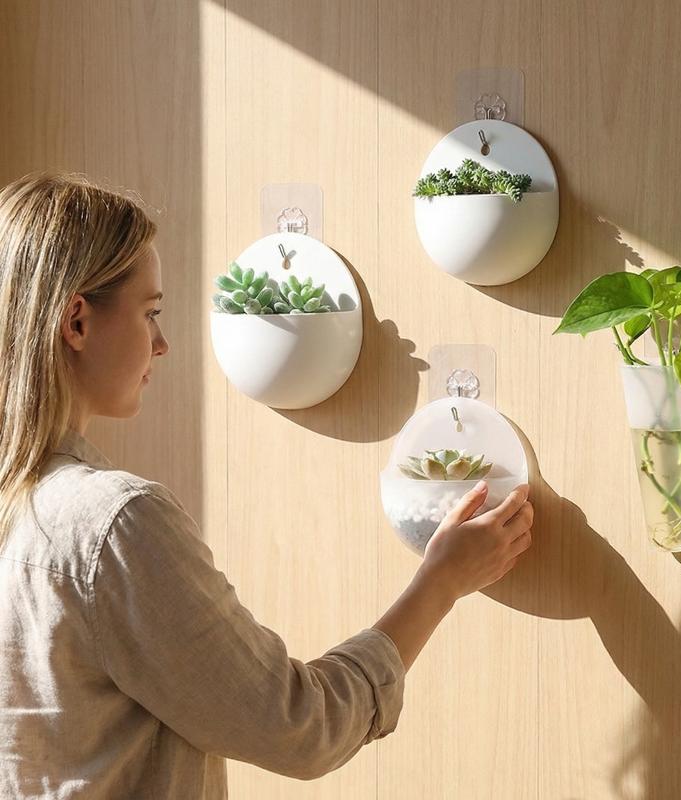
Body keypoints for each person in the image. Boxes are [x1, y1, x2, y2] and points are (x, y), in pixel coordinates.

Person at [0, 172, 534, 798]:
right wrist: (440, 581)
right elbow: (299, 727)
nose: (162, 343)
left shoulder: (26, 511)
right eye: (150, 313)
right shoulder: (113, 525)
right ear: (76, 322)